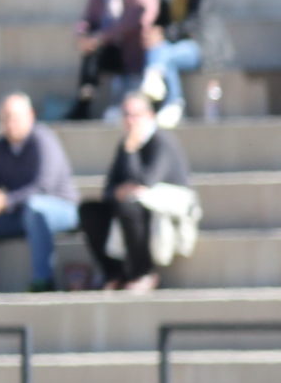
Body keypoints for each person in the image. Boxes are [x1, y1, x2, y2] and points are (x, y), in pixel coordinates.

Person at [0, 93, 74, 293]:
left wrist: (6, 201)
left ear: (31, 115)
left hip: (59, 208)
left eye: (15, 117)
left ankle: (43, 281)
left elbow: (44, 186)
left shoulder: (43, 140)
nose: (10, 123)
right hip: (19, 213)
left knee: (36, 208)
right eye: (5, 118)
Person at [77, 92, 195, 292]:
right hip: (131, 206)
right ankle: (114, 273)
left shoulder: (161, 141)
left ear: (149, 115)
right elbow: (109, 188)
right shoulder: (125, 144)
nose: (130, 121)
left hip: (159, 211)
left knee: (128, 206)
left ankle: (143, 272)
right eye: (126, 115)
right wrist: (120, 190)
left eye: (135, 115)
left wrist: (132, 150)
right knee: (90, 210)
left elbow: (147, 181)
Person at [73, 0, 158, 121]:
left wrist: (102, 37)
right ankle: (84, 102)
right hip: (112, 49)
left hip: (136, 49)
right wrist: (82, 35)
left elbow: (139, 19)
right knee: (91, 56)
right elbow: (87, 19)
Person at [141, 0, 208, 128]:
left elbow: (194, 24)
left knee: (163, 54)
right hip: (171, 46)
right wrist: (154, 33)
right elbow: (161, 20)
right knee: (161, 52)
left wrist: (164, 34)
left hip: (197, 46)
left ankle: (154, 75)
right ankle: (173, 102)